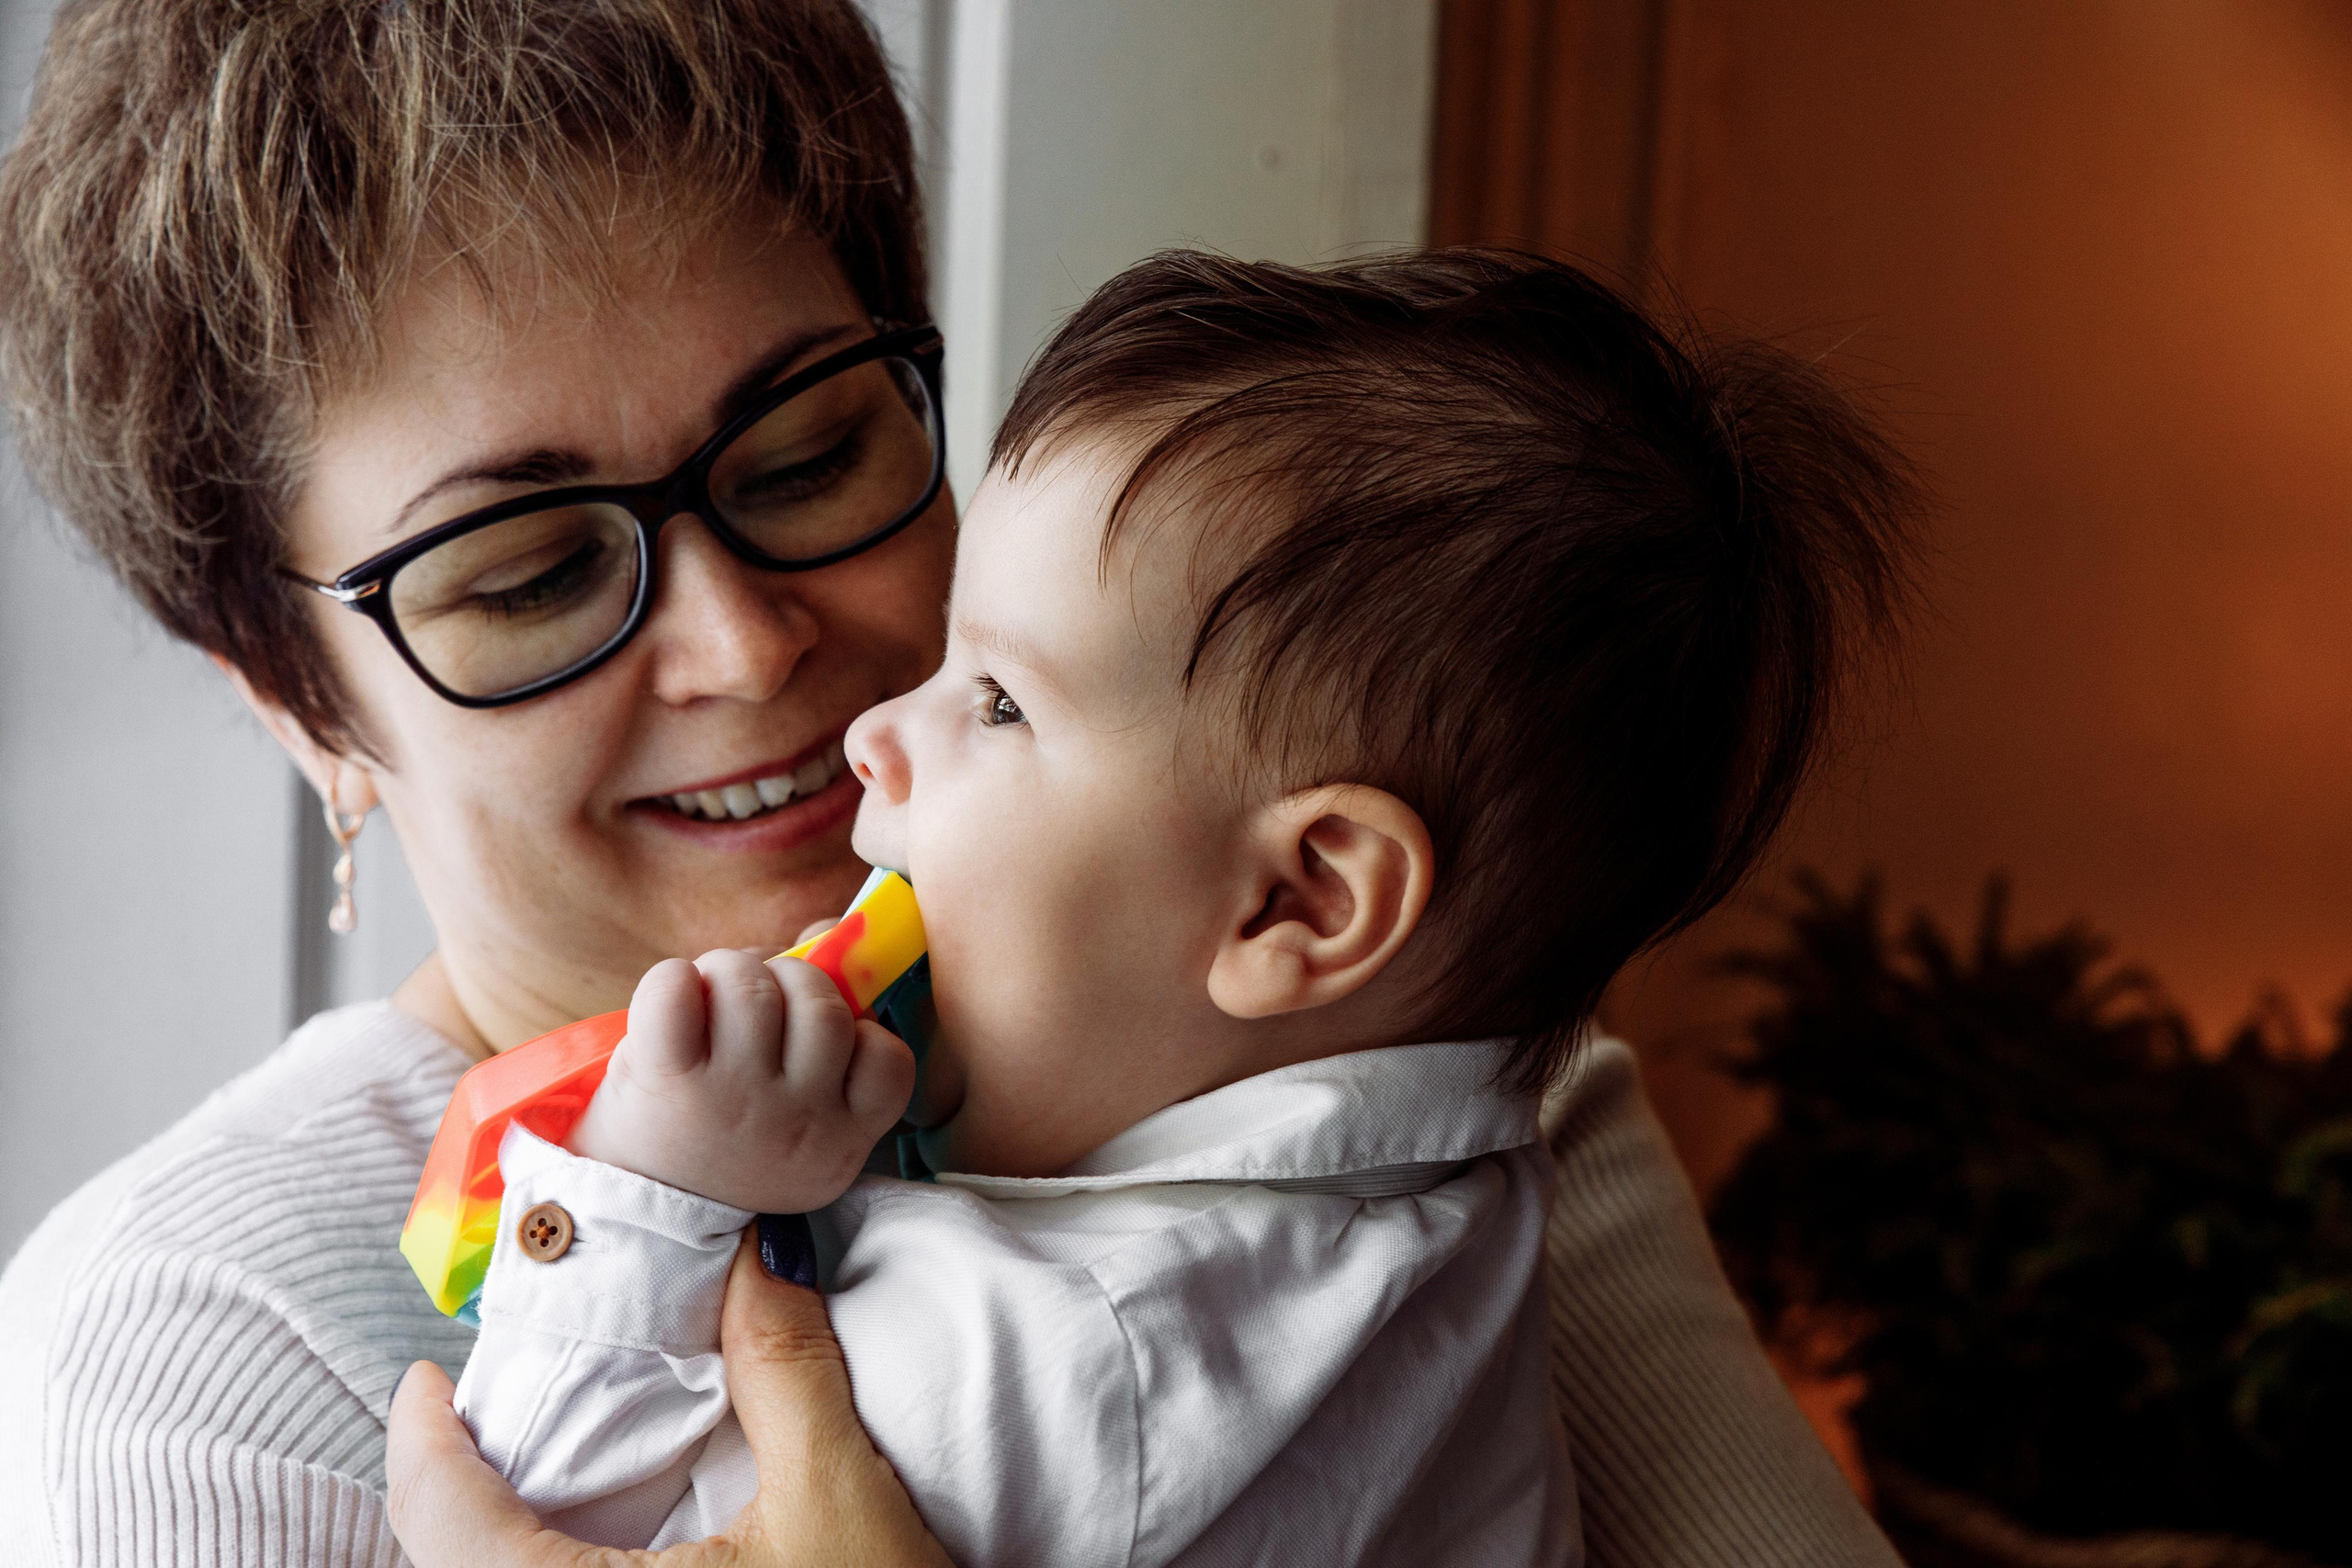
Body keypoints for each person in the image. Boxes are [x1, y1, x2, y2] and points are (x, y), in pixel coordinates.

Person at [0, 3, 1905, 1566]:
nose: (748, 648)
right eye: (531, 571)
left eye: (812, 450)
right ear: (296, 697)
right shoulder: (195, 1335)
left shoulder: (1426, 1085)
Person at [443, 249, 1919, 1566]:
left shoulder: (1057, 1363)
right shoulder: (1459, 1204)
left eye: (1001, 700)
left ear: (1300, 901)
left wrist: (653, 1184)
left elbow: (566, 1515)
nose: (878, 733)